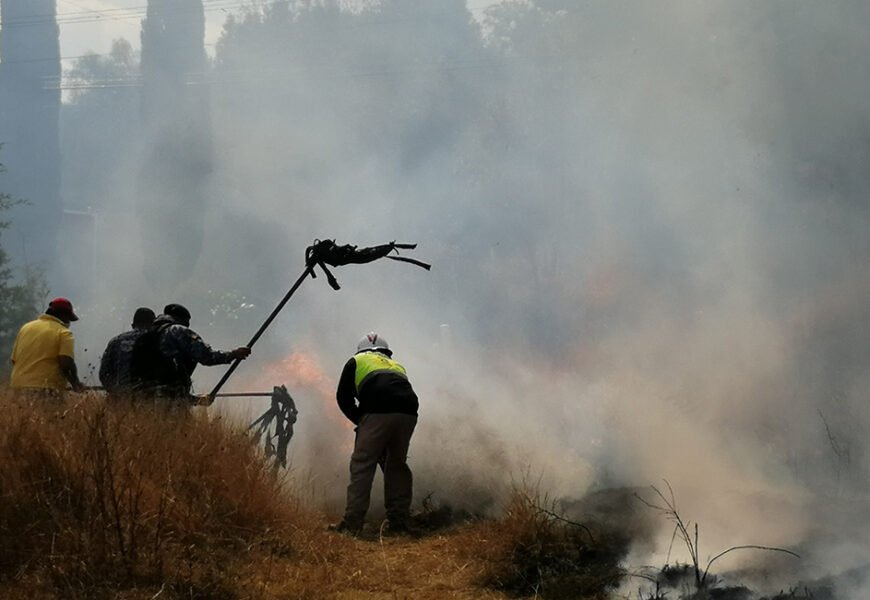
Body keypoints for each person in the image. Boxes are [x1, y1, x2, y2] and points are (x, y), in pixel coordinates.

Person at [331, 332, 419, 536]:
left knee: (363, 464)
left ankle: (352, 524)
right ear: (386, 352)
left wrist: (360, 421)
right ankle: (399, 523)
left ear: (361, 350)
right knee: (396, 464)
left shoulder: (356, 360)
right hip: (408, 412)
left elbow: (343, 397)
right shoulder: (395, 365)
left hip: (378, 410)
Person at [130, 303, 250, 402]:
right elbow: (206, 356)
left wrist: (196, 400)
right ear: (183, 320)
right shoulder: (177, 331)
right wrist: (233, 354)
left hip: (141, 400)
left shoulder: (146, 337)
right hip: (169, 401)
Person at [9, 297, 85, 396]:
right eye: (68, 318)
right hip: (46, 387)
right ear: (62, 315)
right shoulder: (64, 332)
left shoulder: (25, 328)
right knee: (49, 407)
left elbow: (14, 360)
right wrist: (75, 383)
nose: (69, 322)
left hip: (18, 386)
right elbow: (66, 363)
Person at [99, 307, 156, 397]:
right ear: (153, 324)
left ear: (133, 325)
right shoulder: (157, 340)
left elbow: (103, 372)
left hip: (119, 397)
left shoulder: (115, 341)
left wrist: (116, 393)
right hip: (149, 399)